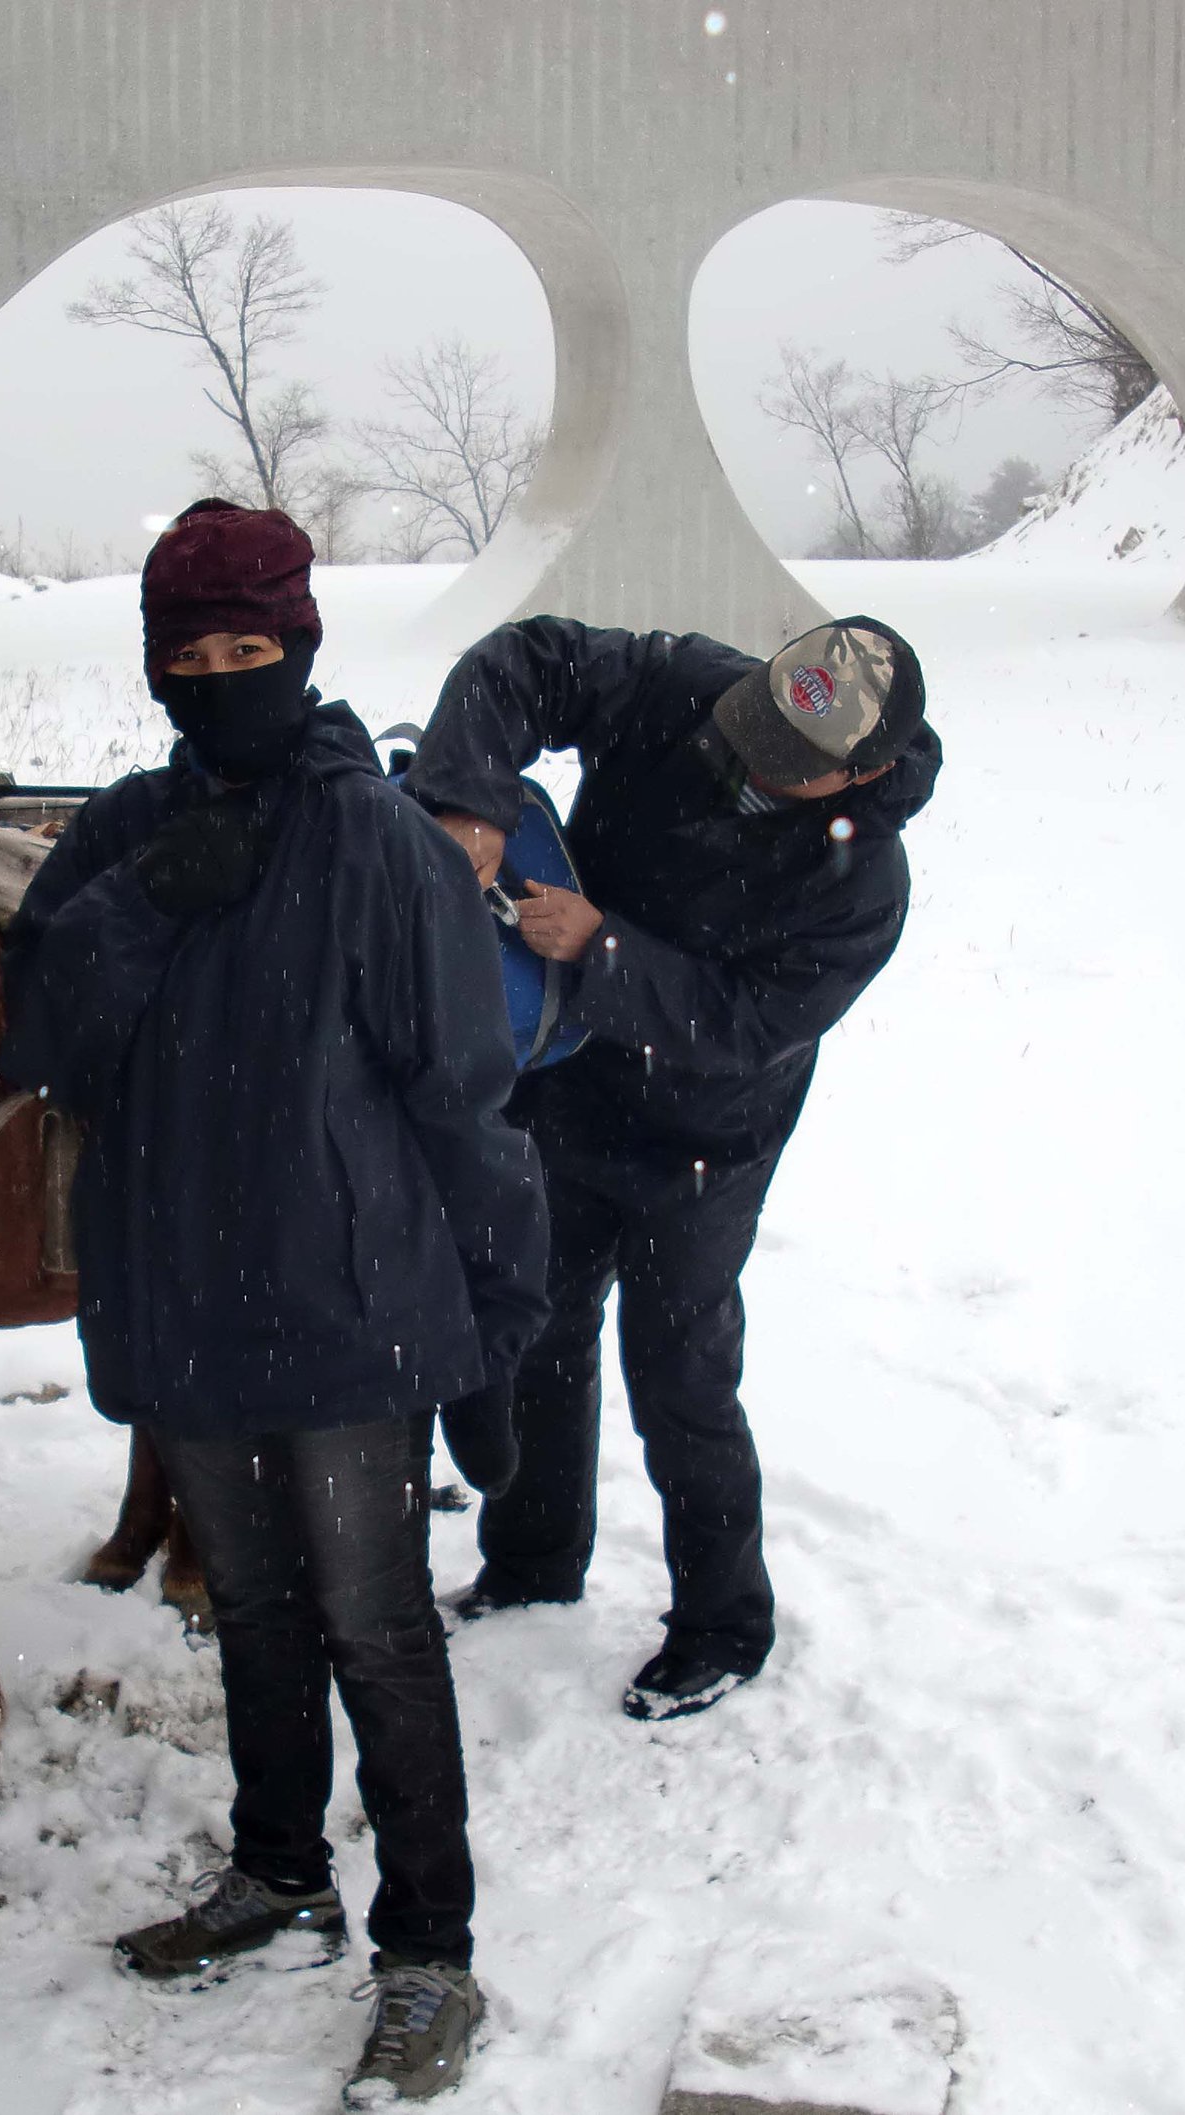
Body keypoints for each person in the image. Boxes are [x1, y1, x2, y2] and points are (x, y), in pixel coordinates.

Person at [0, 500, 546, 2107]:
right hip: (184, 1295)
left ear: (300, 648)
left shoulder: (377, 839)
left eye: (250, 648)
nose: (223, 675)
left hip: (348, 1305)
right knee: (250, 1610)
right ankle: (280, 1864)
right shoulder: (122, 831)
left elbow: (466, 1084)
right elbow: (43, 1034)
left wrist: (499, 1318)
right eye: (193, 654)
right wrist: (153, 894)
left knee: (377, 1627)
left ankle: (430, 1949)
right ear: (161, 671)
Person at [403, 614, 941, 1721]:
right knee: (541, 1327)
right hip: (575, 1084)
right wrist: (470, 802)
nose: (748, 760)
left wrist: (599, 948)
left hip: (712, 1136)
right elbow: (525, 661)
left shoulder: (864, 884)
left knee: (681, 1372)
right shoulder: (685, 690)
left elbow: (749, 1022)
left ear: (863, 769)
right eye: (753, 732)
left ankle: (723, 1624)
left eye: (787, 766)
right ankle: (533, 1564)